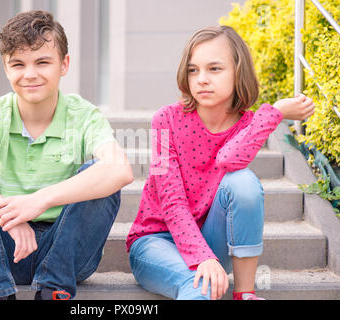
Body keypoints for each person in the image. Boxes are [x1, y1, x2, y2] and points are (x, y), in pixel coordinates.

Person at [0, 10, 133, 300]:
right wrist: (10, 213)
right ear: (6, 68)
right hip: (4, 247)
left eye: (42, 62)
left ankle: (53, 289)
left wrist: (37, 202)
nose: (30, 74)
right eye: (18, 64)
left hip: (66, 250)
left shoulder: (83, 115)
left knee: (100, 174)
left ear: (64, 65)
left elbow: (121, 170)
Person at [126, 25, 315, 300]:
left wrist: (273, 113)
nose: (202, 79)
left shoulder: (249, 125)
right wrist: (201, 256)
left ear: (238, 71)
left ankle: (244, 293)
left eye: (214, 69)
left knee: (243, 182)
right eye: (193, 70)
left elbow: (228, 159)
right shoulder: (164, 120)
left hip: (212, 242)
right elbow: (171, 201)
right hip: (155, 242)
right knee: (198, 285)